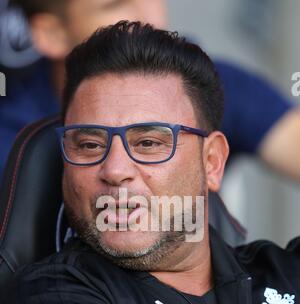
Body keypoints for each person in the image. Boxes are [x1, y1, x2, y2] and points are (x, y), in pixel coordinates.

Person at [0, 21, 299, 304]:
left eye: (149, 143)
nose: (115, 170)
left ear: (211, 162)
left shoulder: (286, 271)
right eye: (89, 144)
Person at [2, 0, 300, 185]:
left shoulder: (209, 83)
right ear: (52, 34)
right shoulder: (12, 135)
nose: (150, 19)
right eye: (115, 4)